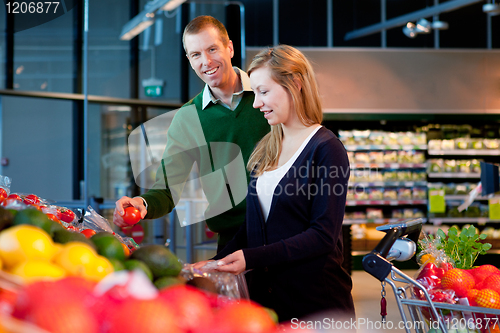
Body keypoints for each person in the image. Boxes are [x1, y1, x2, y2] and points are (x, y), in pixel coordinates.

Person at [198, 45, 355, 322]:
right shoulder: (267, 147)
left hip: (315, 305)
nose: (256, 103)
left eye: (264, 91)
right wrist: (215, 263)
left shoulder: (326, 149)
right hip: (266, 305)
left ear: (295, 84)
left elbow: (323, 235)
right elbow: (252, 227)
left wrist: (251, 258)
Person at [113, 15, 270, 252]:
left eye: (212, 49)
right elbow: (167, 188)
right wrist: (142, 203)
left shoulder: (268, 94)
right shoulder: (188, 118)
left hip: (285, 233)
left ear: (229, 48)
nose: (206, 61)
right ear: (189, 60)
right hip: (233, 242)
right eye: (196, 55)